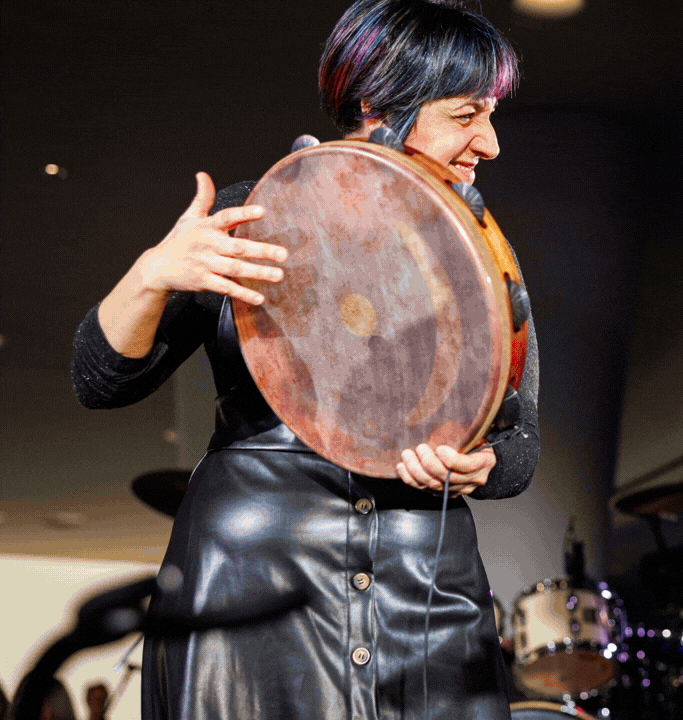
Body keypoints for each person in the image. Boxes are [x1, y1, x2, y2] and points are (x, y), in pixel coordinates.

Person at [70, 2, 537, 719]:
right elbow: (99, 379)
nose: (492, 142)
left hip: (424, 583)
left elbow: (519, 442)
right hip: (252, 588)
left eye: (492, 113)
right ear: (378, 103)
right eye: (466, 114)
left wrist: (482, 465)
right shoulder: (255, 213)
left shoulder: (479, 252)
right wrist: (153, 275)